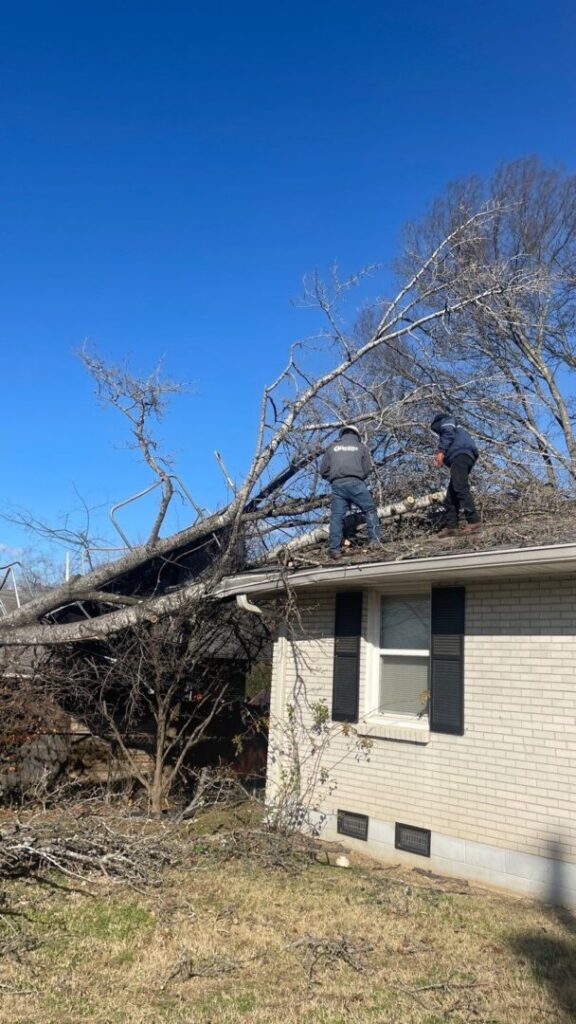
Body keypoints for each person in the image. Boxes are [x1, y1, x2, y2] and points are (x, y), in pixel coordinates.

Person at [320, 425, 380, 560]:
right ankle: (375, 542)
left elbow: (323, 471)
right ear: (356, 435)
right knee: (370, 510)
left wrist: (333, 478)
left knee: (336, 517)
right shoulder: (361, 447)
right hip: (356, 483)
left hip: (337, 485)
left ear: (342, 434)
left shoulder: (332, 447)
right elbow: (367, 469)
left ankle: (334, 550)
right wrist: (356, 477)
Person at [430, 412, 481, 536]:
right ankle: (452, 526)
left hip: (461, 455)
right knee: (451, 495)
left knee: (460, 486)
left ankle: (473, 520)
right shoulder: (456, 428)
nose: (437, 432)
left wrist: (441, 451)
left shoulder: (447, 421)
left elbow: (448, 433)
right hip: (462, 456)